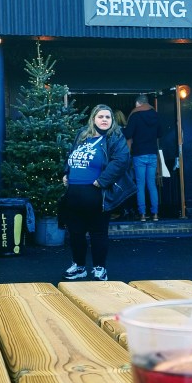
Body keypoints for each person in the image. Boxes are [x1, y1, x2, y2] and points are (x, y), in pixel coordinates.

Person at [60, 104, 130, 281]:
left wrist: (102, 181)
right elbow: (72, 155)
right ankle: (79, 267)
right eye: (100, 116)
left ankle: (100, 268)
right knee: (75, 233)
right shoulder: (82, 135)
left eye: (108, 117)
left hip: (97, 193)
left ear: (112, 120)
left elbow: (121, 161)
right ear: (93, 119)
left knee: (98, 233)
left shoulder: (115, 137)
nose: (104, 119)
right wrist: (66, 173)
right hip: (74, 193)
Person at [123, 93, 162, 222]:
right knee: (152, 184)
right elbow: (160, 133)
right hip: (152, 154)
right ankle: (155, 214)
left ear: (138, 103)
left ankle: (143, 214)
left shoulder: (135, 115)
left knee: (140, 184)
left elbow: (128, 134)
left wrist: (121, 129)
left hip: (139, 154)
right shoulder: (155, 115)